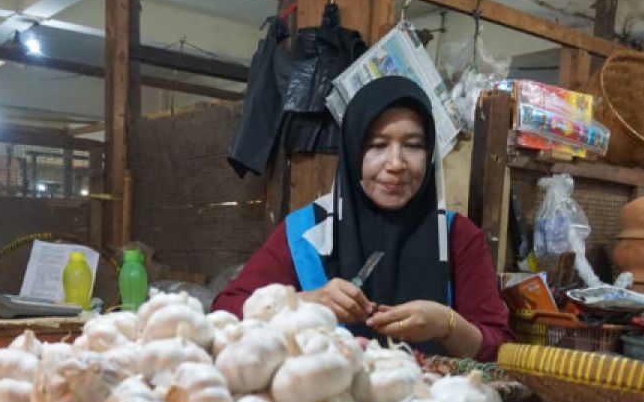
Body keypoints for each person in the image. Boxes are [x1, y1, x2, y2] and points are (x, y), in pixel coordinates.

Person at [212, 75, 512, 361]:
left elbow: (499, 349)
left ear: (430, 152)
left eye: (413, 145)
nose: (396, 163)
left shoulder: (457, 237)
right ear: (353, 150)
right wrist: (307, 302)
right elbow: (224, 314)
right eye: (377, 145)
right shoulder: (308, 232)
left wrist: (446, 324)